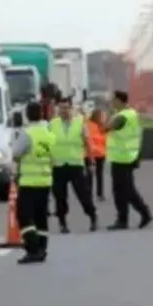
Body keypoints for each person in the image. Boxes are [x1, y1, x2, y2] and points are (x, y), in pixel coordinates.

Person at [11, 101, 56, 264]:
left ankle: (33, 248)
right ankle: (42, 248)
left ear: (27, 115)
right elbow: (53, 158)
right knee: (41, 216)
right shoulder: (49, 134)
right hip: (45, 180)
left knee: (23, 215)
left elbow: (16, 153)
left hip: (29, 181)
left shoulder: (27, 134)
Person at [104, 90, 153, 230]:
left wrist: (107, 114)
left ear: (119, 101)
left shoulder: (123, 116)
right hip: (126, 156)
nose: (112, 102)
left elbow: (106, 128)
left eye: (113, 100)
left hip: (123, 157)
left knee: (123, 190)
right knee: (124, 189)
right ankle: (130, 217)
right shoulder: (130, 113)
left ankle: (136, 215)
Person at [48, 97, 97, 233]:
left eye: (66, 108)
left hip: (75, 164)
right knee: (60, 197)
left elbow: (87, 142)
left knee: (83, 194)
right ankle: (62, 223)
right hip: (58, 165)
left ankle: (92, 216)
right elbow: (47, 144)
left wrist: (91, 161)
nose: (63, 111)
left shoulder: (80, 122)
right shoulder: (52, 124)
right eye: (61, 108)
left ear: (71, 108)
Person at [86, 108, 108, 202]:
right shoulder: (89, 125)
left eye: (104, 116)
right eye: (102, 116)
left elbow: (106, 139)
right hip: (90, 154)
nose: (104, 118)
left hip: (101, 154)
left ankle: (100, 194)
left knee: (99, 175)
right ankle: (88, 194)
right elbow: (89, 139)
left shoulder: (103, 126)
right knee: (90, 174)